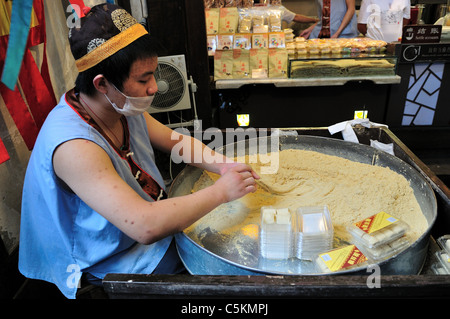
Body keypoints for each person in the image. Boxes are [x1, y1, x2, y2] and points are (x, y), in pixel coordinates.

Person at [18, 3, 259, 299]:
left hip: (138, 229)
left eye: (153, 74)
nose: (155, 87)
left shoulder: (119, 106)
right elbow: (145, 226)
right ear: (102, 83)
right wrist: (221, 192)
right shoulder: (73, 146)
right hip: (106, 258)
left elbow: (175, 141)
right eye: (143, 79)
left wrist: (224, 167)